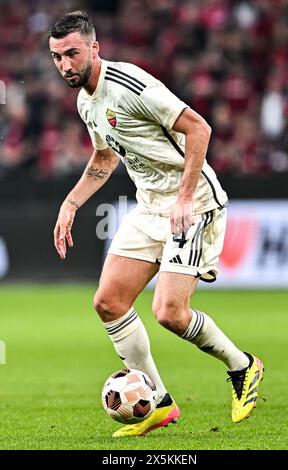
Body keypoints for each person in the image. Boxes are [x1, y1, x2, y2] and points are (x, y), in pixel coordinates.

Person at [49, 10, 264, 438]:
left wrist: (184, 198)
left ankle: (244, 366)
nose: (65, 65)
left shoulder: (130, 84)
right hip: (150, 208)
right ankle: (158, 406)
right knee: (108, 302)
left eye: (72, 53)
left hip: (193, 203)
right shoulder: (85, 101)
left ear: (94, 48)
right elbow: (105, 156)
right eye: (56, 57)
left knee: (169, 312)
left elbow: (199, 128)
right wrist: (70, 203)